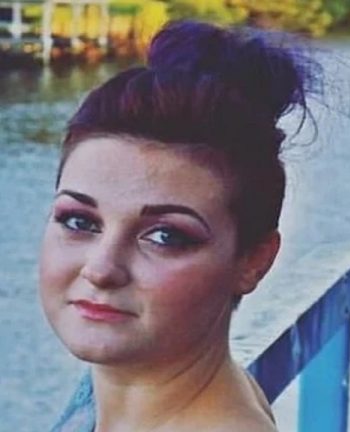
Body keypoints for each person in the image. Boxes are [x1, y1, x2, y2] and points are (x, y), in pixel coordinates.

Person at [39, 19, 319, 431]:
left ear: (254, 261)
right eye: (80, 220)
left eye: (165, 236)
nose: (101, 269)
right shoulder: (129, 393)